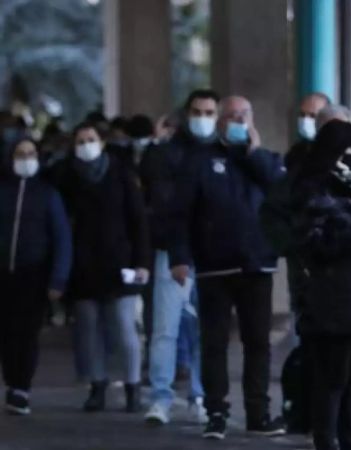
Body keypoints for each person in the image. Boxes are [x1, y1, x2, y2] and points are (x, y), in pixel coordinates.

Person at [269, 120, 351, 450]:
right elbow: (310, 241)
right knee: (332, 378)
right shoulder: (311, 188)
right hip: (331, 298)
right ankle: (326, 439)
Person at [168, 95, 286, 440]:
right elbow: (179, 215)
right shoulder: (199, 161)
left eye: (243, 116)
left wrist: (254, 152)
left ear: (252, 120)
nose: (237, 121)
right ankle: (216, 412)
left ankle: (258, 413)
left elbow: (281, 193)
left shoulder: (265, 160)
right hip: (214, 268)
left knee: (258, 344)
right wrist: (179, 257)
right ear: (220, 121)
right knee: (215, 343)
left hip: (257, 266)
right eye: (231, 115)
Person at [55, 122, 152, 413]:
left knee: (125, 328)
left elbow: (138, 222)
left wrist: (142, 263)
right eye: (81, 140)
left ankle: (133, 386)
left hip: (119, 264)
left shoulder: (121, 174)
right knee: (89, 330)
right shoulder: (66, 178)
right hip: (83, 268)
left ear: (102, 142)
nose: (86, 145)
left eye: (91, 139)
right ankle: (97, 386)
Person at [141, 89, 219, 426]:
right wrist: (156, 146)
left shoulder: (223, 153)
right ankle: (161, 397)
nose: (203, 118)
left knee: (205, 330)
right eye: (197, 112)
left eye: (209, 112)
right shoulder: (169, 151)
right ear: (186, 114)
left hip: (213, 253)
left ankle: (200, 396)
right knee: (165, 329)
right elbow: (155, 192)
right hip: (172, 251)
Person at [0, 138, 72, 415]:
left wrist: (58, 278)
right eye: (20, 154)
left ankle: (21, 388)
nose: (25, 159)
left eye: (30, 154)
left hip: (34, 274)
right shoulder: (3, 191)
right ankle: (11, 382)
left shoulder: (48, 194)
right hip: (4, 275)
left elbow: (62, 238)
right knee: (7, 332)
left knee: (27, 333)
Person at [285, 92, 331, 171]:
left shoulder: (337, 151)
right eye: (302, 114)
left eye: (313, 115)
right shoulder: (297, 151)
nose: (305, 120)